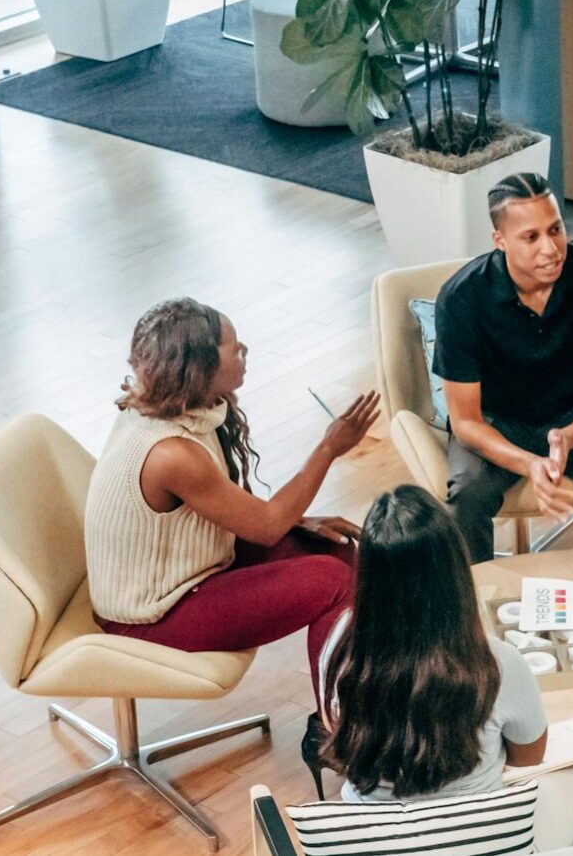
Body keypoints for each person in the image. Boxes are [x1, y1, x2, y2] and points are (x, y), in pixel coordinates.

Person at [83, 297, 381, 798]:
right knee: (331, 584)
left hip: (191, 567)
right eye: (231, 345)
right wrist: (329, 447)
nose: (243, 350)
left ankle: (359, 716)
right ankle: (339, 736)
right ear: (196, 365)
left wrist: (297, 520)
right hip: (151, 613)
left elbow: (230, 513)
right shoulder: (171, 452)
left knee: (341, 556)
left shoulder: (182, 412)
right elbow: (264, 528)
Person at [318, 486, 573, 850]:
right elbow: (529, 757)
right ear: (454, 573)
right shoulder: (496, 663)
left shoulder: (341, 645)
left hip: (375, 839)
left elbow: (335, 724)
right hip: (474, 838)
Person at [435, 172, 573, 563]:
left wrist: (569, 437)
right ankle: (473, 609)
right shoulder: (460, 299)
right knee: (467, 494)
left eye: (556, 229)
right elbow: (466, 421)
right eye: (531, 237)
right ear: (500, 241)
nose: (552, 249)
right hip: (497, 421)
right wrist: (530, 463)